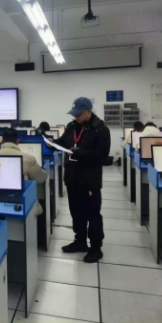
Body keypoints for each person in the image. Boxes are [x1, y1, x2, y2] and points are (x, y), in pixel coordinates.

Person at [52, 97, 111, 263]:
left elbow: (101, 154)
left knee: (92, 213)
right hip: (72, 176)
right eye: (74, 114)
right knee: (76, 211)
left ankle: (96, 248)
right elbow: (64, 142)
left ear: (89, 111)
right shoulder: (72, 126)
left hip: (89, 179)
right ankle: (80, 241)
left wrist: (78, 153)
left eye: (79, 114)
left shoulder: (100, 129)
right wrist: (53, 142)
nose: (75, 116)